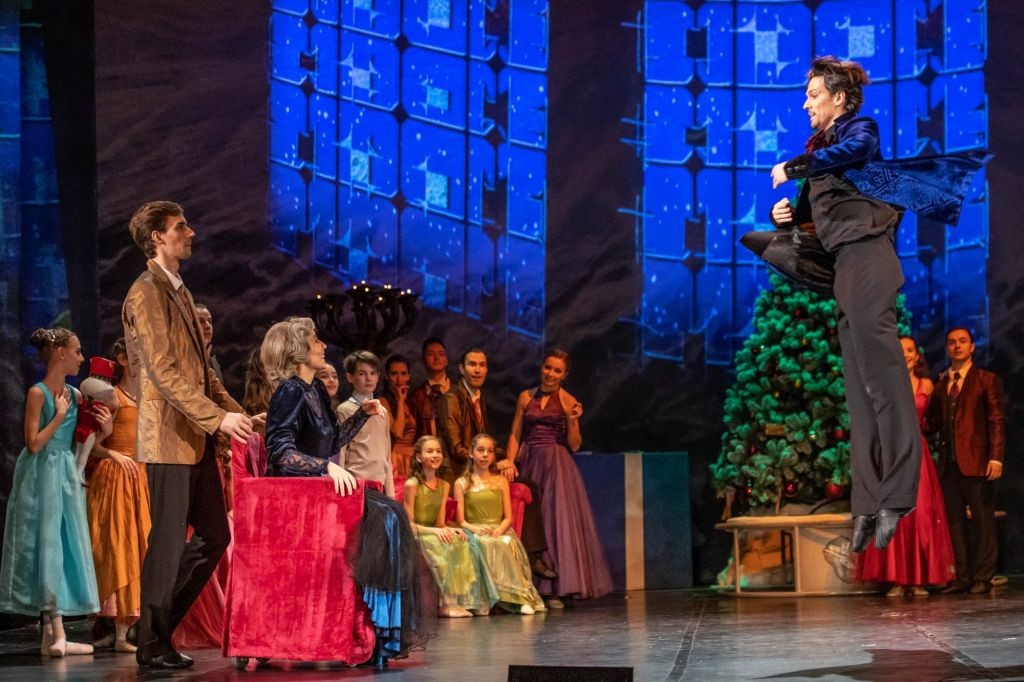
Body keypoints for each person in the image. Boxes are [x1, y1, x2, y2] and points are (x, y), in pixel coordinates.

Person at [744, 57, 975, 552]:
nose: (805, 104)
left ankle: (899, 497)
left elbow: (855, 152)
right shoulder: (823, 156)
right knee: (858, 395)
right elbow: (808, 216)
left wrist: (793, 167)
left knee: (886, 382)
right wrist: (784, 215)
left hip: (869, 260)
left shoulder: (859, 131)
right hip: (843, 270)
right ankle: (867, 505)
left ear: (839, 98)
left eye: (813, 95)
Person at [122, 200, 254, 669]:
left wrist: (240, 416)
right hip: (168, 438)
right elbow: (162, 372)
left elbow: (202, 375)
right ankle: (152, 640)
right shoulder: (146, 292)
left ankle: (151, 629)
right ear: (157, 237)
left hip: (195, 436)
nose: (191, 232)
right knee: (167, 541)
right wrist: (217, 419)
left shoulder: (177, 290)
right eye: (181, 227)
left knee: (215, 535)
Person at [262, 319, 423, 664]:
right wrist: (325, 467)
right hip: (299, 497)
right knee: (385, 515)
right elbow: (280, 452)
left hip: (320, 489)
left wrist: (362, 415)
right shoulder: (290, 391)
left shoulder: (316, 390)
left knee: (390, 515)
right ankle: (371, 629)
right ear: (298, 351)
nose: (323, 346)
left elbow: (332, 441)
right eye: (315, 341)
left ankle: (379, 629)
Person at [0, 328, 111, 657]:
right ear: (60, 353)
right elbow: (34, 443)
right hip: (40, 474)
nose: (81, 358)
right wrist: (59, 414)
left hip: (64, 472)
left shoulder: (75, 394)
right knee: (46, 545)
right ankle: (57, 633)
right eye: (76, 351)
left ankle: (51, 636)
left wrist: (103, 432)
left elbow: (81, 441)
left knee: (64, 544)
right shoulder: (38, 393)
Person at [437, 348, 557, 582]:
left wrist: (505, 459)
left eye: (482, 365)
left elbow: (486, 441)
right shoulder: (451, 398)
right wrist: (493, 461)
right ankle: (532, 558)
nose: (477, 370)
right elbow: (457, 448)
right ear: (461, 368)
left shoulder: (479, 398)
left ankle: (534, 557)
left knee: (527, 485)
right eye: (472, 364)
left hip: (478, 465)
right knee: (524, 484)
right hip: (459, 471)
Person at [506, 350, 613, 603]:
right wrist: (509, 462)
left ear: (564, 375)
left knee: (555, 522)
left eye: (557, 370)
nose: (550, 374)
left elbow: (574, 445)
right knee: (530, 520)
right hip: (530, 461)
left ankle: (554, 588)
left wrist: (572, 420)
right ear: (541, 367)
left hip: (556, 464)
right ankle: (528, 586)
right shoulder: (525, 397)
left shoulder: (568, 400)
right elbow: (515, 434)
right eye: (548, 368)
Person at [855, 337, 955, 596]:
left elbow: (934, 422)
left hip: (917, 454)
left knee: (920, 514)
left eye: (910, 350)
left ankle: (919, 579)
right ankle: (897, 579)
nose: (906, 354)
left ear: (916, 355)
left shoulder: (927, 385)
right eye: (900, 350)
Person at [926, 327, 1006, 595]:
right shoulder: (942, 384)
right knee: (955, 523)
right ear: (947, 348)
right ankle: (962, 577)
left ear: (972, 347)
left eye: (962, 341)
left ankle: (983, 576)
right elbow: (933, 423)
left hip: (977, 461)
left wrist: (996, 457)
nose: (957, 346)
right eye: (952, 342)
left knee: (983, 521)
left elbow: (996, 421)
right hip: (948, 464)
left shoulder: (985, 379)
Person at [86, 337, 150, 652]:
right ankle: (120, 632)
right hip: (116, 477)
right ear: (123, 359)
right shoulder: (113, 397)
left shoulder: (145, 397)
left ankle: (131, 627)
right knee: (119, 547)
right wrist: (113, 453)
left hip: (140, 477)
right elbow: (91, 445)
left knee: (140, 547)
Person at [404, 435, 495, 618]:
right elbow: (409, 525)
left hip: (433, 531)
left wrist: (451, 529)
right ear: (419, 457)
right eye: (430, 451)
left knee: (460, 540)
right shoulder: (412, 484)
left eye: (438, 451)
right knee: (440, 544)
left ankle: (458, 601)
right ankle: (444, 604)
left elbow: (440, 523)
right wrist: (437, 531)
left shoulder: (444, 485)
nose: (435, 455)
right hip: (417, 533)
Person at [455, 433, 546, 615]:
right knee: (481, 543)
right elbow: (461, 520)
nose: (485, 455)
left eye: (489, 451)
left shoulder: (500, 481)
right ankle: (483, 600)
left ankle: (517, 600)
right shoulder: (462, 483)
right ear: (472, 453)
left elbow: (508, 517)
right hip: (475, 530)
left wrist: (500, 530)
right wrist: (475, 528)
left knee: (504, 543)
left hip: (499, 529)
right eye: (481, 450)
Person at [336, 351, 394, 498]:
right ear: (350, 377)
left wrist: (391, 494)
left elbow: (387, 457)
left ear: (378, 376)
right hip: (356, 484)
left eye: (373, 373)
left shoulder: (382, 412)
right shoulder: (345, 410)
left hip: (380, 485)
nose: (369, 378)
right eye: (362, 373)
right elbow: (340, 453)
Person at [407, 337, 451, 440]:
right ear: (423, 360)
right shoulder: (415, 397)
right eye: (431, 354)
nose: (436, 358)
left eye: (441, 354)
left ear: (446, 359)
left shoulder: (461, 392)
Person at [381, 354, 417, 477]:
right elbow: (397, 432)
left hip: (412, 459)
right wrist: (400, 401)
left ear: (408, 376)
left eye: (403, 373)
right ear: (387, 376)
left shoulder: (411, 400)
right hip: (396, 458)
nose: (399, 379)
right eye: (394, 374)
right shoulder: (383, 402)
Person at [193, 303, 222, 383]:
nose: (208, 326)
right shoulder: (181, 359)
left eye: (209, 321)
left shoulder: (214, 362)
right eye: (201, 321)